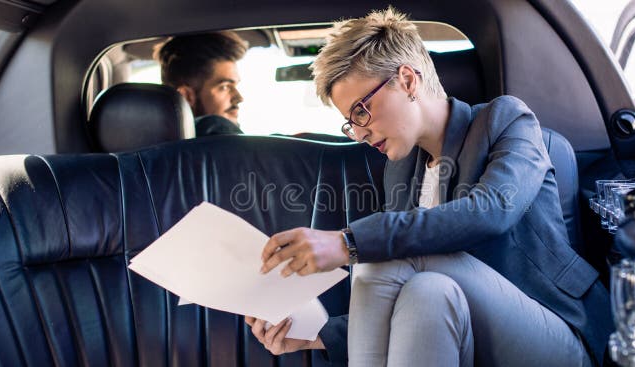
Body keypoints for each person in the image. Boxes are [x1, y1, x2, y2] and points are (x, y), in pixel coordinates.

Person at [246, 7, 613, 367]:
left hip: (555, 334)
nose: (359, 132)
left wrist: (347, 243)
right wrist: (319, 333)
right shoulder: (401, 170)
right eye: (349, 122)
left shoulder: (507, 120)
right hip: (460, 331)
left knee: (379, 252)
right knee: (426, 292)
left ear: (407, 80)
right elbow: (401, 288)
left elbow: (490, 212)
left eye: (361, 111)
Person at [154, 31, 247, 136]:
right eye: (224, 87)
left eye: (235, 85)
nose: (239, 98)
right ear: (186, 96)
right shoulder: (216, 129)